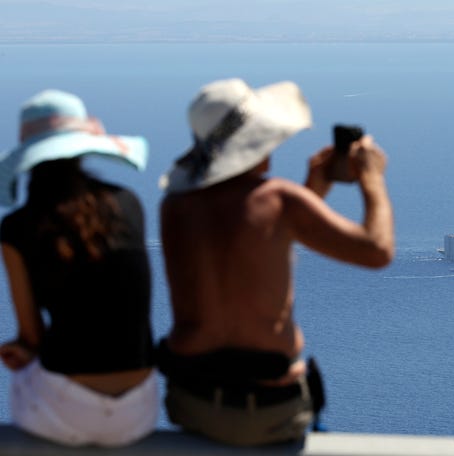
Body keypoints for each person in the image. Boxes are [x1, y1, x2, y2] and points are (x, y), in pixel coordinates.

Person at [157, 78, 394, 446]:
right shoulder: (279, 200)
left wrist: (311, 192)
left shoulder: (175, 207)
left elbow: (253, 252)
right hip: (268, 411)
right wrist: (372, 178)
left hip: (192, 402)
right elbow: (377, 250)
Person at [0, 90, 158, 447]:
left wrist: (22, 350)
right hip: (140, 410)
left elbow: (32, 337)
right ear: (83, 147)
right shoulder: (129, 205)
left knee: (23, 374)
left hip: (64, 412)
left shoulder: (17, 228)